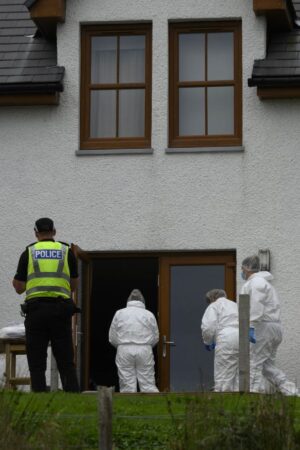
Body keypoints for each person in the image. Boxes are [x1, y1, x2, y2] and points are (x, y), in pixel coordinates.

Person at [12, 217, 80, 392]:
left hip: (36, 311)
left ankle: (39, 393)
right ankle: (72, 394)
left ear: (36, 233)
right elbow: (73, 285)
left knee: (36, 358)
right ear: (54, 232)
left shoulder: (29, 252)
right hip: (60, 310)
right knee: (65, 357)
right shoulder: (66, 251)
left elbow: (19, 287)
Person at [241, 254, 298, 395]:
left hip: (263, 327)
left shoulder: (256, 283)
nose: (242, 272)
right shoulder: (265, 284)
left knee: (254, 361)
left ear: (247, 269)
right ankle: (291, 391)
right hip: (273, 328)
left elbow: (255, 305)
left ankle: (252, 393)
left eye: (242, 269)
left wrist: (251, 326)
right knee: (267, 366)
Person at [109, 289, 159, 393]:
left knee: (127, 385)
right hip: (144, 349)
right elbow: (155, 337)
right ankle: (151, 407)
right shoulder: (149, 314)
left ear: (128, 301)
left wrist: (120, 347)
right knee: (148, 384)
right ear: (142, 301)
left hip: (124, 349)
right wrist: (147, 346)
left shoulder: (119, 313)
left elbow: (112, 337)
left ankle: (128, 407)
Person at [201, 289, 239, 392]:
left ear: (212, 298)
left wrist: (207, 342)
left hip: (226, 338)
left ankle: (222, 398)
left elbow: (208, 327)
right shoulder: (235, 305)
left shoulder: (214, 306)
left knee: (223, 371)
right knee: (237, 373)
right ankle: (237, 401)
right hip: (242, 337)